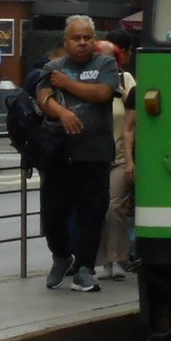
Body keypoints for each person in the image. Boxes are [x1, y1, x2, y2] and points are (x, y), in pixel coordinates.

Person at [37, 16, 121, 292]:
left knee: (92, 214)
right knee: (53, 215)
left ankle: (85, 268)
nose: (82, 42)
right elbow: (43, 98)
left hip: (95, 154)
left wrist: (66, 84)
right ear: (66, 41)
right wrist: (63, 113)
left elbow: (102, 93)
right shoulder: (53, 67)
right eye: (76, 38)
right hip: (59, 155)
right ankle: (62, 256)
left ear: (94, 40)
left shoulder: (106, 64)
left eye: (87, 37)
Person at [95, 34, 137, 280]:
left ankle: (118, 258)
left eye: (110, 59)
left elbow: (134, 115)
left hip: (120, 156)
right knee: (98, 208)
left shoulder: (126, 80)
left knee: (114, 207)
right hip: (95, 156)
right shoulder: (89, 83)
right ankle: (103, 263)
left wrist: (120, 92)